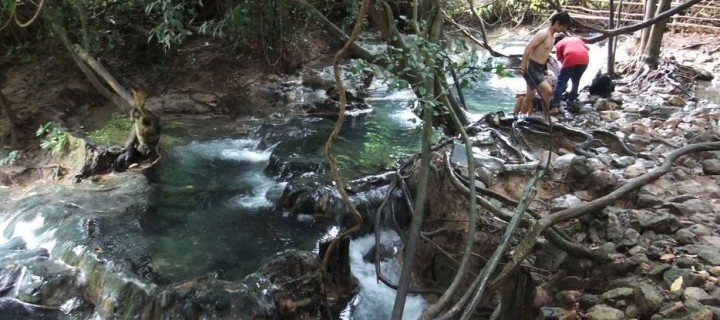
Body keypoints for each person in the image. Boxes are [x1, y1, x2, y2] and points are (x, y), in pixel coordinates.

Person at [517, 11, 571, 119]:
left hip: (539, 68)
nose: (564, 29)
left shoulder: (552, 37)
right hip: (532, 67)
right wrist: (522, 65)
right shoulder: (543, 34)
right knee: (548, 91)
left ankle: (521, 117)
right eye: (563, 26)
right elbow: (529, 47)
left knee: (530, 95)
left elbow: (544, 53)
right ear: (557, 23)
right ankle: (546, 117)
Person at [552, 34, 589, 110]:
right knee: (576, 81)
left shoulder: (559, 44)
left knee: (561, 82)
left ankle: (556, 104)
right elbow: (587, 48)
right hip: (584, 60)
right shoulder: (576, 38)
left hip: (571, 58)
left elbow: (559, 59)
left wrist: (567, 70)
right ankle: (571, 100)